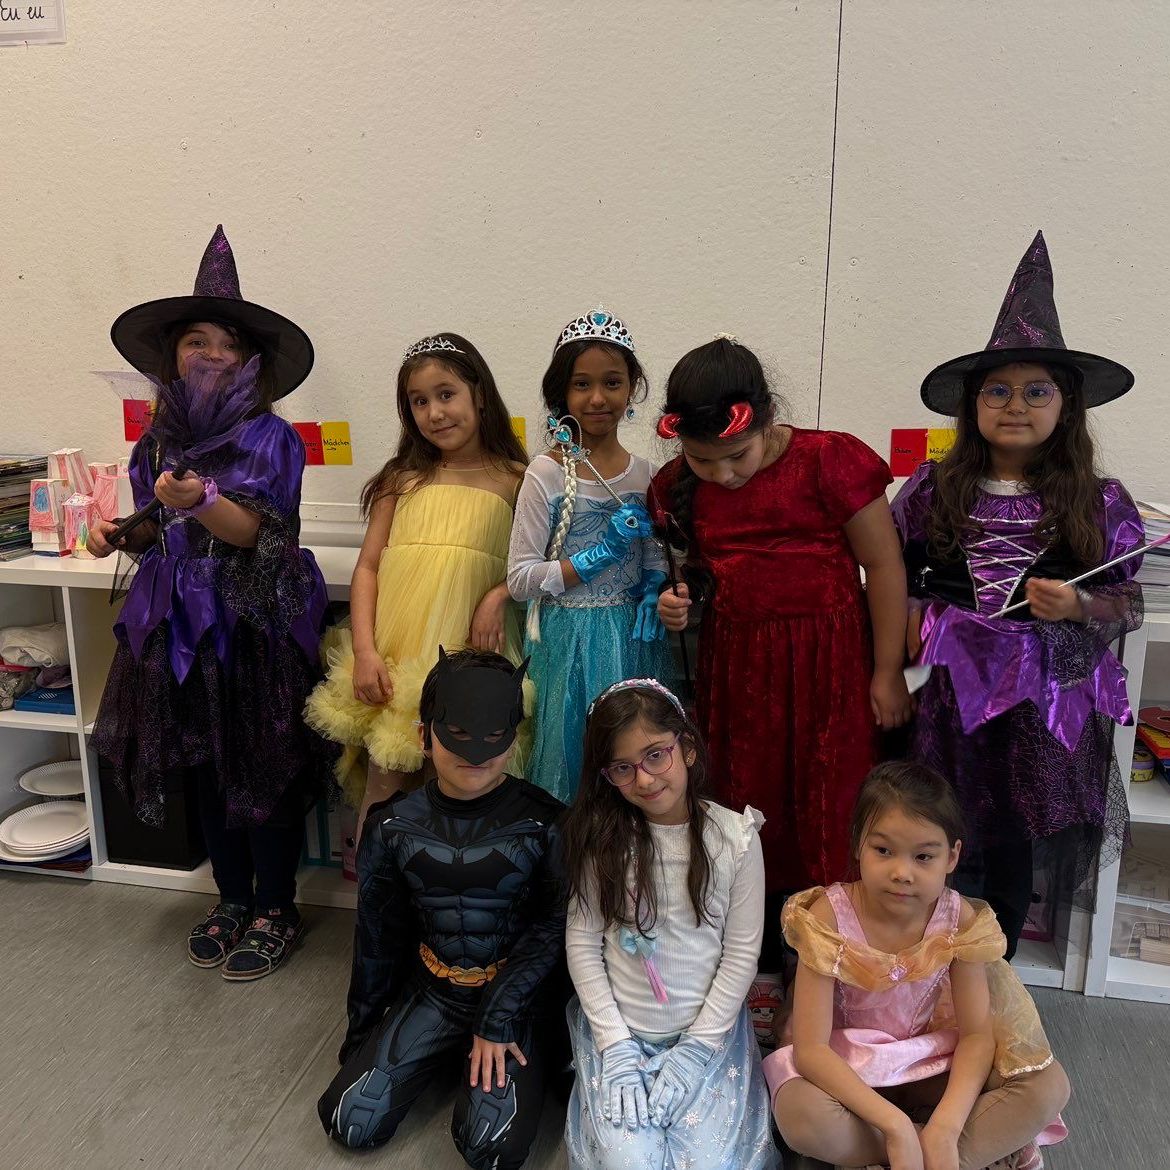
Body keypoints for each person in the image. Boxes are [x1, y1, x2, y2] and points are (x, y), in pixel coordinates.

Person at [89, 224, 333, 979]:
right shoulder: (156, 442)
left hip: (249, 623)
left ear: (251, 362)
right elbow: (153, 529)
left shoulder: (271, 437)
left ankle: (276, 906)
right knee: (202, 763)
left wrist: (202, 500)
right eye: (197, 341)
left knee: (260, 764)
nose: (213, 354)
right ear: (173, 356)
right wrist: (113, 534)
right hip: (177, 627)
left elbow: (258, 532)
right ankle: (231, 897)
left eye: (229, 344)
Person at [893, 231, 1144, 956]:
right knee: (935, 812)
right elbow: (897, 574)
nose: (1015, 405)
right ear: (972, 405)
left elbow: (1125, 600)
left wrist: (1078, 607)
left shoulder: (1097, 500)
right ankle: (925, 940)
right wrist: (908, 630)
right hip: (945, 689)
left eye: (1037, 391)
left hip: (1036, 697)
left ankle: (992, 951)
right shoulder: (934, 488)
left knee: (1011, 824)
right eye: (997, 391)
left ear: (1067, 405)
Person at [651, 335, 912, 961]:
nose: (723, 475)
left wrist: (887, 672)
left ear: (766, 419)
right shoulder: (677, 486)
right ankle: (757, 953)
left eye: (736, 456)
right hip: (739, 670)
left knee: (830, 799)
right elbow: (698, 576)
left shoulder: (829, 462)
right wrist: (678, 602)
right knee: (745, 801)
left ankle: (827, 951)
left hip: (831, 664)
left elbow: (884, 566)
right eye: (703, 461)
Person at [317, 648, 565, 1169]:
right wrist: (362, 1037)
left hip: (514, 1003)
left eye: (493, 734)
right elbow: (377, 940)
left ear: (513, 737)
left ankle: (491, 1061)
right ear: (423, 735)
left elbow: (556, 929)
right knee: (349, 1120)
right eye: (456, 733)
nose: (475, 751)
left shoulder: (548, 825)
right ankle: (444, 1053)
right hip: (435, 992)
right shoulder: (391, 826)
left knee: (489, 1149)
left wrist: (502, 1016)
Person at [768, 761, 1069, 1170]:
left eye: (923, 856)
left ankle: (921, 1147)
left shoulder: (959, 919)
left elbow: (977, 1036)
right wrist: (895, 1127)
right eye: (883, 851)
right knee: (798, 1113)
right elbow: (811, 1050)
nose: (902, 873)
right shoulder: (827, 917)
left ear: (952, 856)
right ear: (858, 844)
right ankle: (928, 1148)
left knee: (1048, 1086)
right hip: (849, 1070)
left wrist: (946, 1126)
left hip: (930, 1063)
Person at [305, 334, 531, 824]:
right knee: (387, 784)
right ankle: (378, 875)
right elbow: (368, 568)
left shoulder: (517, 480)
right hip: (398, 655)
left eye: (446, 394)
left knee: (458, 784)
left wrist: (498, 593)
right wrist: (365, 651)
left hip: (469, 653)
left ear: (480, 395)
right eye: (419, 401)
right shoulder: (400, 480)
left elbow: (535, 567)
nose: (434, 412)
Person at [561, 678, 777, 1170]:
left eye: (656, 755)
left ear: (688, 749)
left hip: (707, 1037)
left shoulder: (736, 838)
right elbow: (582, 942)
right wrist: (616, 1047)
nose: (644, 779)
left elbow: (741, 954)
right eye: (623, 767)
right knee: (628, 1163)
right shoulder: (602, 840)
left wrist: (697, 1049)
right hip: (622, 1035)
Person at [507, 308, 673, 802]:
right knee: (572, 760)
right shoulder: (546, 473)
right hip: (568, 642)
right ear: (562, 392)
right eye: (582, 384)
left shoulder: (646, 474)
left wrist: (655, 589)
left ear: (632, 389)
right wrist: (600, 554)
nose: (598, 398)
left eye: (612, 383)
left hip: (633, 639)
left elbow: (655, 556)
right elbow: (520, 579)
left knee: (635, 760)